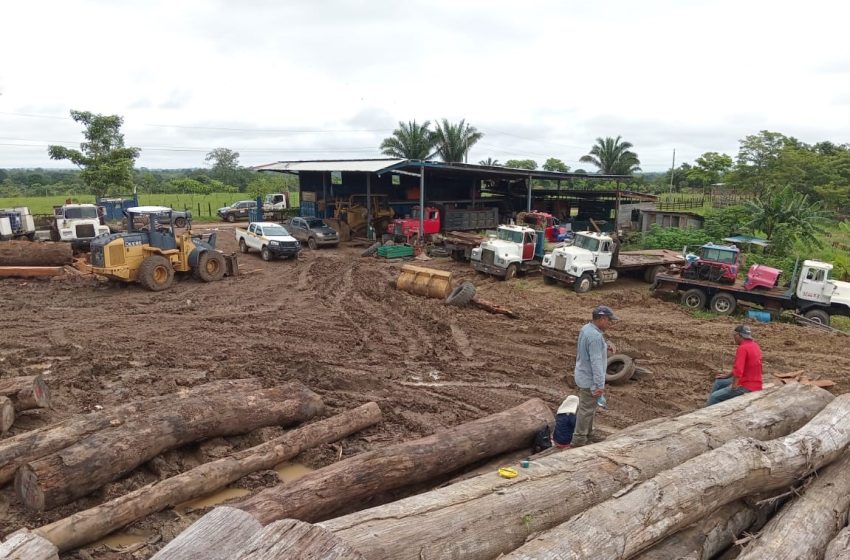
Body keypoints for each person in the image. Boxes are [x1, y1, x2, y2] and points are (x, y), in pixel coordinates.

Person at [572, 305, 619, 447]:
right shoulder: (595, 337)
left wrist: (605, 345)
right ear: (602, 319)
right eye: (609, 321)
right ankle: (579, 440)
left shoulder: (586, 328)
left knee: (589, 408)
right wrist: (599, 385)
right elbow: (596, 363)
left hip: (582, 374)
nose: (610, 324)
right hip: (589, 379)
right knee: (586, 410)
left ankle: (588, 434)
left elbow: (593, 343)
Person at [705, 325, 763, 407]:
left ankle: (706, 412)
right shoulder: (754, 345)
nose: (733, 337)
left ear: (739, 335)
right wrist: (726, 376)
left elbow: (738, 370)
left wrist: (733, 387)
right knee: (719, 382)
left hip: (747, 386)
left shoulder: (742, 348)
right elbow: (740, 367)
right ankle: (710, 405)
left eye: (734, 335)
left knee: (715, 396)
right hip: (755, 382)